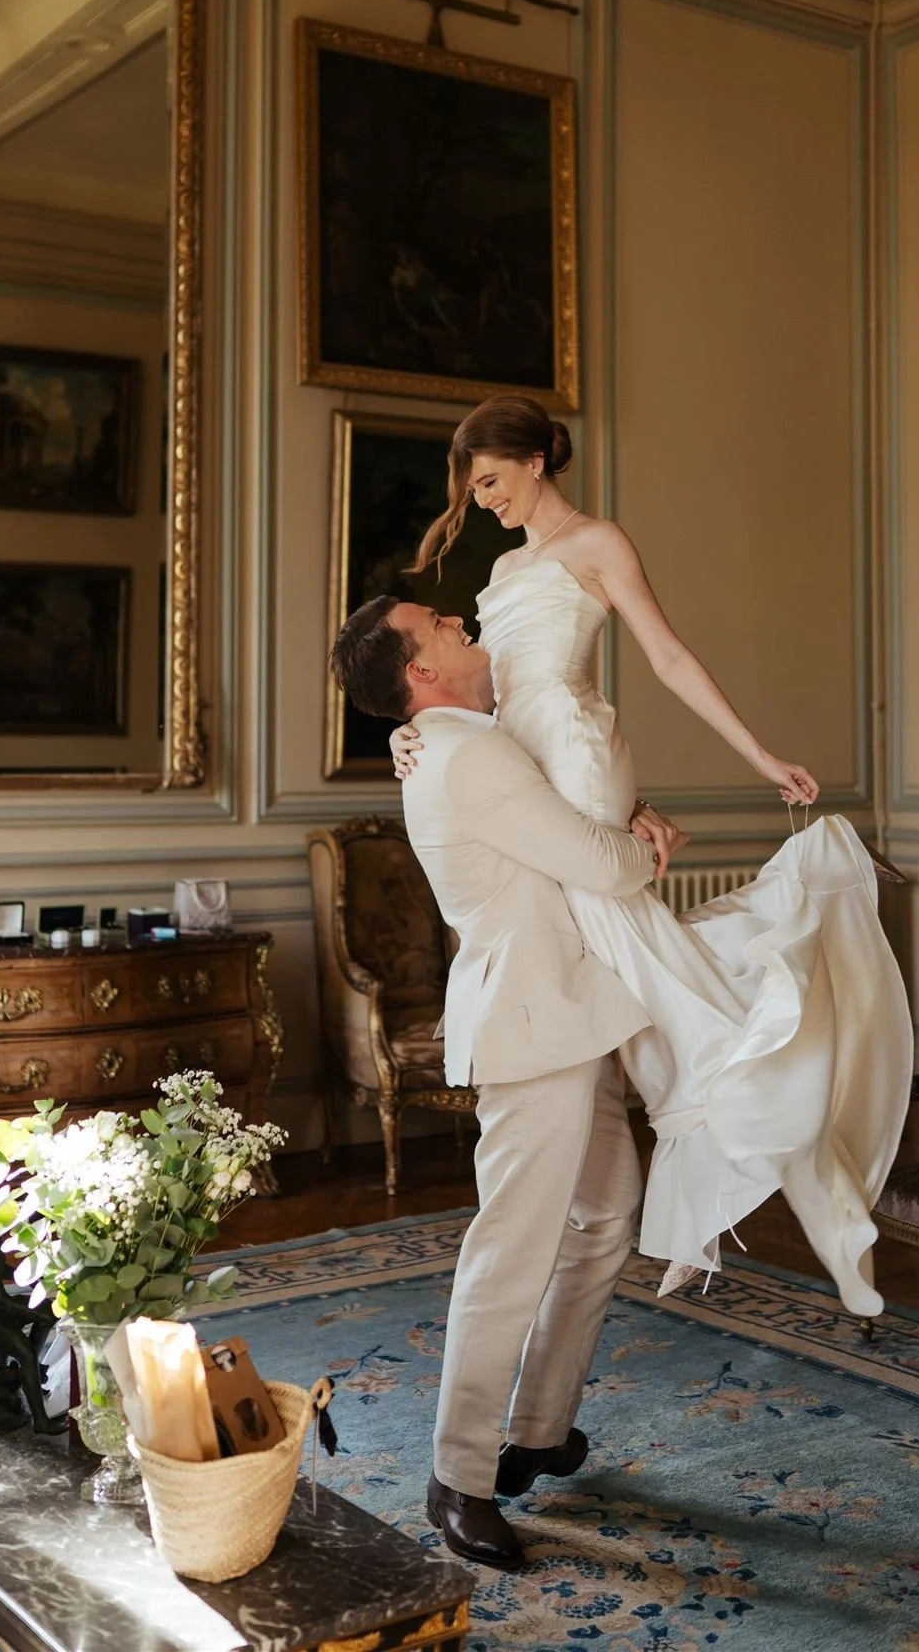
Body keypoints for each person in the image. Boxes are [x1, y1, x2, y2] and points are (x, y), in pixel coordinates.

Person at [393, 394, 913, 1318]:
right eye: (471, 491)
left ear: (533, 462)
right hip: (540, 776)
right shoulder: (507, 565)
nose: (481, 504)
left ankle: (753, 1201)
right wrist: (416, 737)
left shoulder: (597, 544)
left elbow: (668, 658)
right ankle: (776, 1206)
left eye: (489, 482)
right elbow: (486, 700)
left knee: (655, 992)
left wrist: (757, 756)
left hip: (578, 765)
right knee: (645, 993)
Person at [329, 595, 674, 1570]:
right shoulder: (464, 755)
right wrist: (644, 840)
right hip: (531, 1026)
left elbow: (574, 826)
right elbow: (599, 864)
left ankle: (538, 1428)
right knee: (511, 1248)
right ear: (420, 673)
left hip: (569, 1010)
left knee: (607, 1212)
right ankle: (458, 1477)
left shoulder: (459, 739)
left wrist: (620, 822)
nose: (454, 615)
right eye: (435, 622)